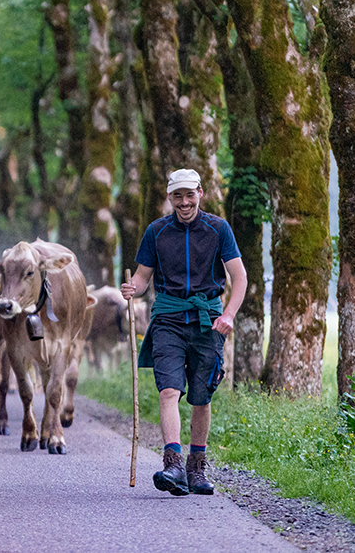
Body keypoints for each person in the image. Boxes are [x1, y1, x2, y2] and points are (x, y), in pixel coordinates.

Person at [120, 168, 246, 496]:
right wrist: (131, 287)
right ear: (170, 197)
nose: (185, 201)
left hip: (208, 321)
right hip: (168, 319)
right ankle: (173, 463)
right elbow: (143, 277)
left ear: (200, 193)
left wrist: (229, 314)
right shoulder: (157, 231)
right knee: (169, 391)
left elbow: (239, 277)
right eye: (178, 195)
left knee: (201, 397)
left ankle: (196, 467)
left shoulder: (219, 229)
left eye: (190, 194)